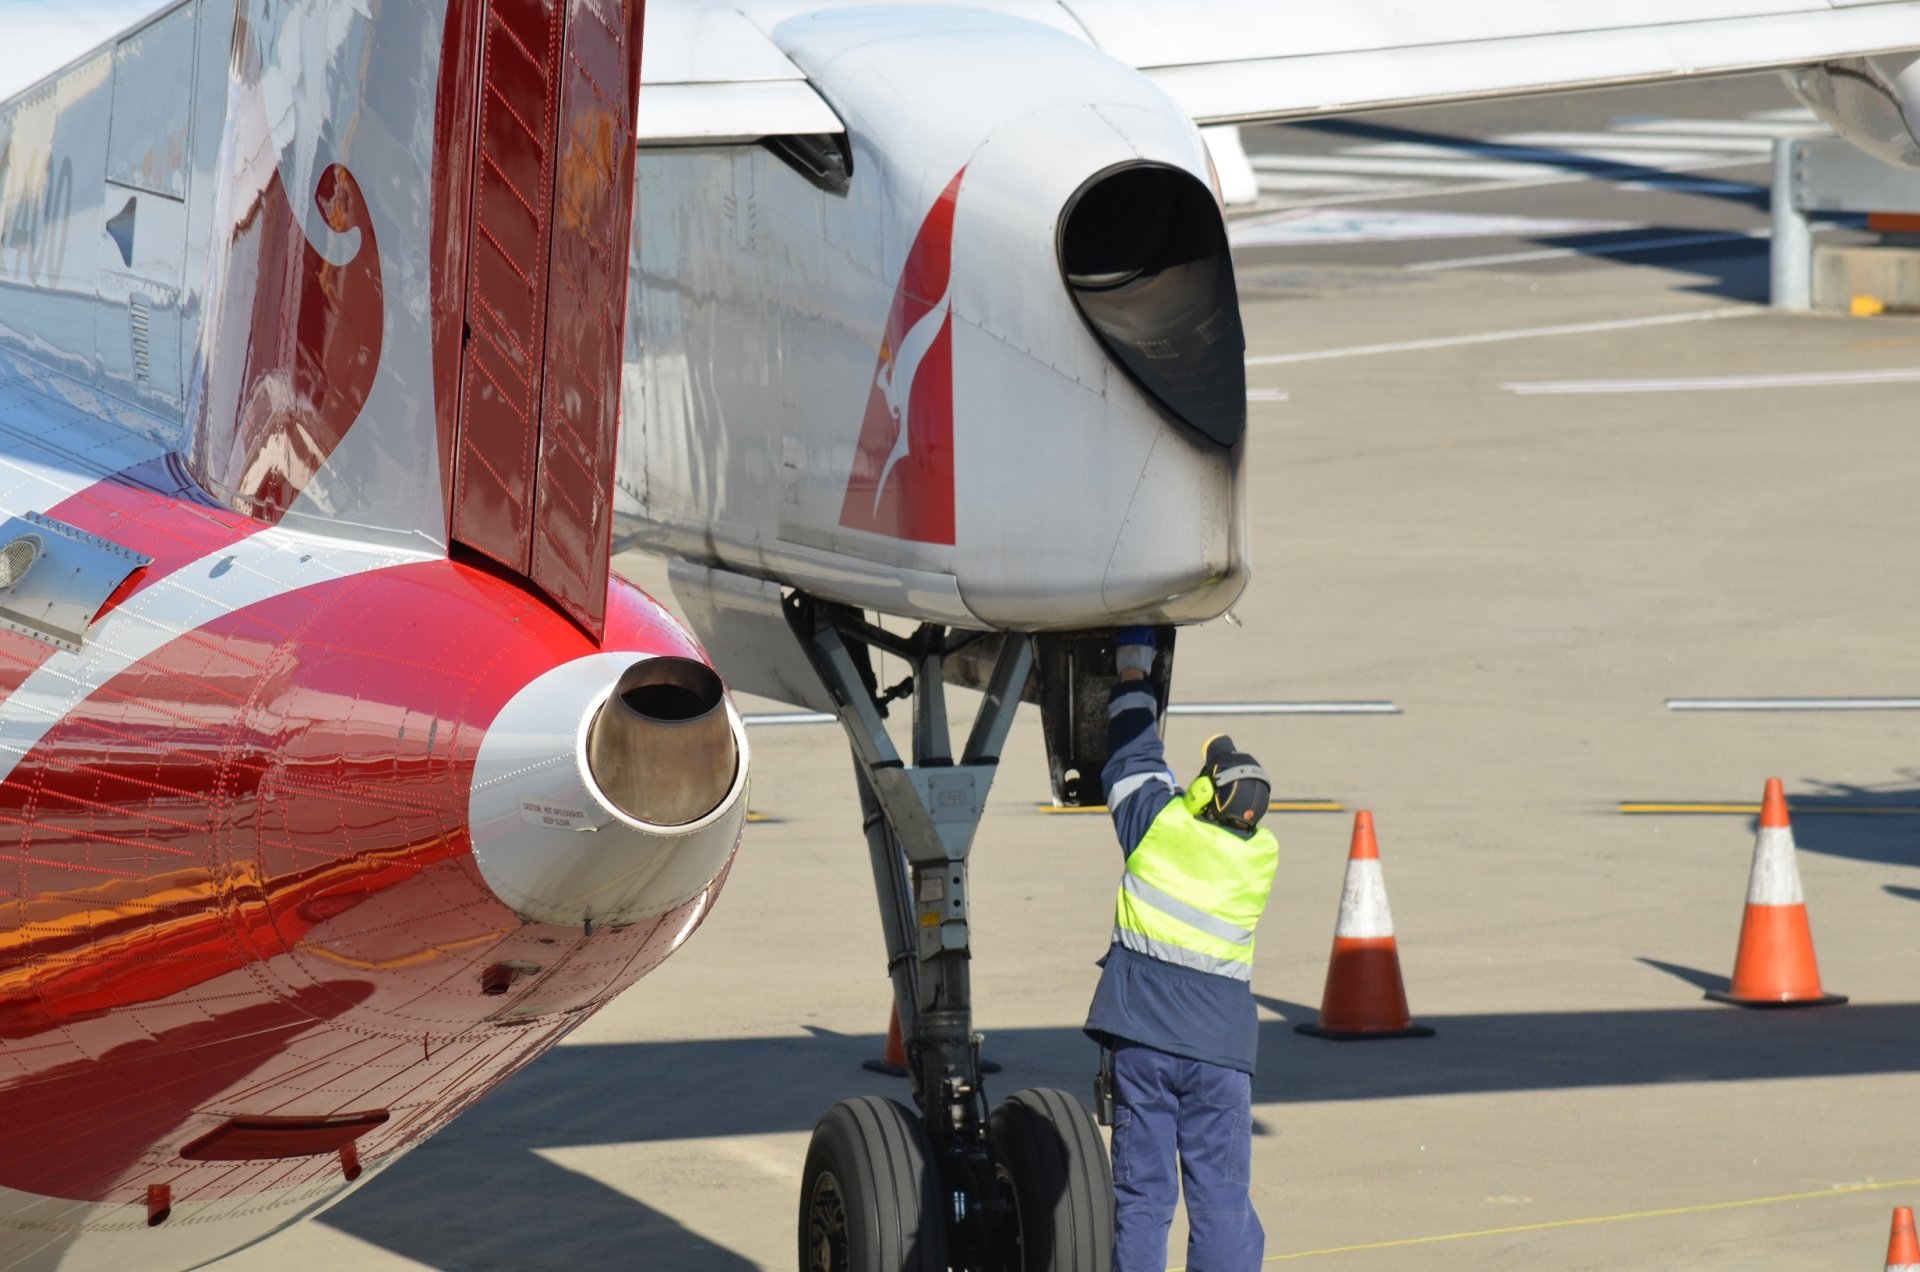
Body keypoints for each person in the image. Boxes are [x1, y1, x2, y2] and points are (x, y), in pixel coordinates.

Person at [1085, 625, 1278, 1272]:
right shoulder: (1259, 860)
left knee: (1143, 1199)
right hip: (1221, 1055)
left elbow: (1131, 757)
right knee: (1222, 1202)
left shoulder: (1158, 827)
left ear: (1203, 790)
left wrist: (1134, 667)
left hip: (1143, 1040)